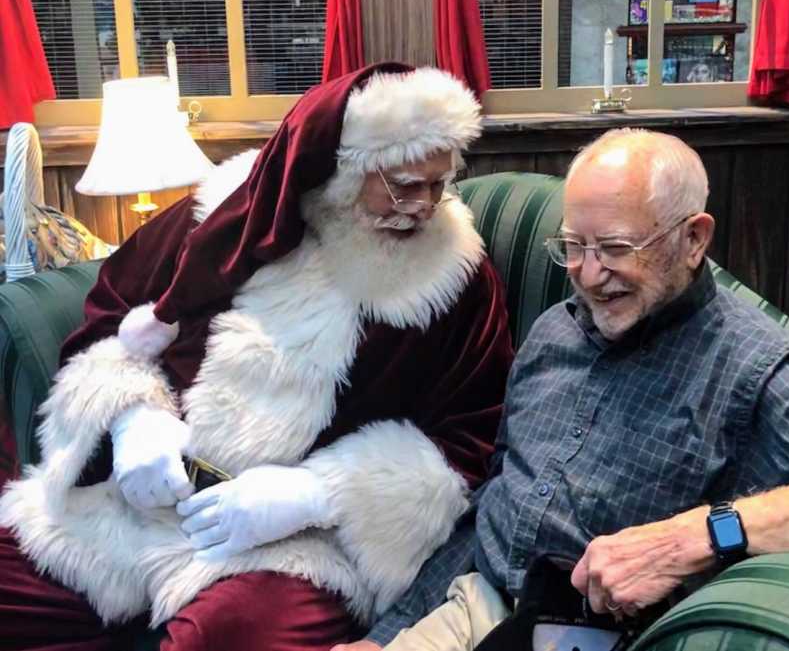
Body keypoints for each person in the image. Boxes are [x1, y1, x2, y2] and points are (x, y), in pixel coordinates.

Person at [0, 63, 514, 651]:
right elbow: (111, 314)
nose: (423, 206)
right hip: (138, 510)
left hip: (299, 546)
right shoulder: (221, 211)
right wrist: (130, 420)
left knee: (228, 638)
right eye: (403, 184)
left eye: (438, 183)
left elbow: (477, 434)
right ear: (343, 170)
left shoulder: (454, 276)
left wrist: (319, 494)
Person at [336, 128, 789, 651]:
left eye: (614, 247)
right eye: (573, 246)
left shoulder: (752, 369)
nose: (585, 272)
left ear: (694, 239)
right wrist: (384, 635)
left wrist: (693, 538)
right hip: (475, 605)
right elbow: (497, 494)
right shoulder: (557, 327)